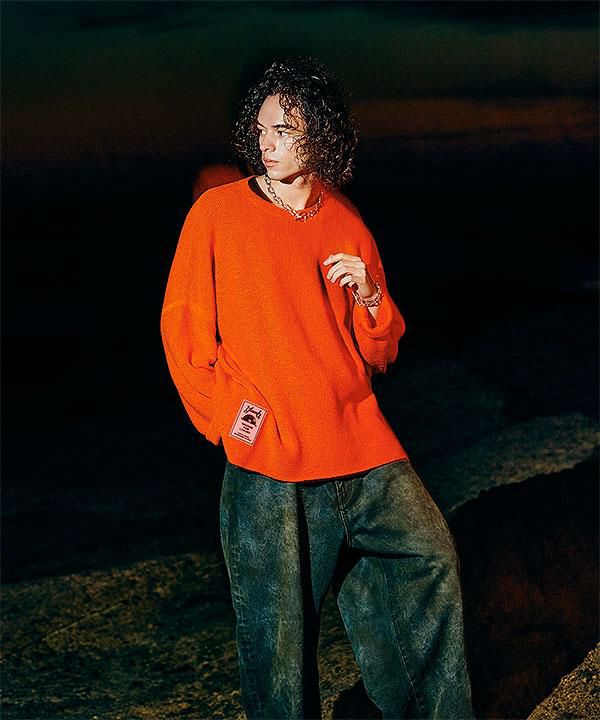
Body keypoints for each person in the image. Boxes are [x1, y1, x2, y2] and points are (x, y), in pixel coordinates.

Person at [160, 56, 475, 720]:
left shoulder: (346, 220)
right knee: (278, 646)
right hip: (272, 467)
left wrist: (371, 296)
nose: (267, 143)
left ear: (322, 135)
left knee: (429, 559)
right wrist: (234, 419)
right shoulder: (218, 213)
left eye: (285, 130)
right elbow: (183, 326)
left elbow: (380, 350)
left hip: (363, 450)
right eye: (261, 130)